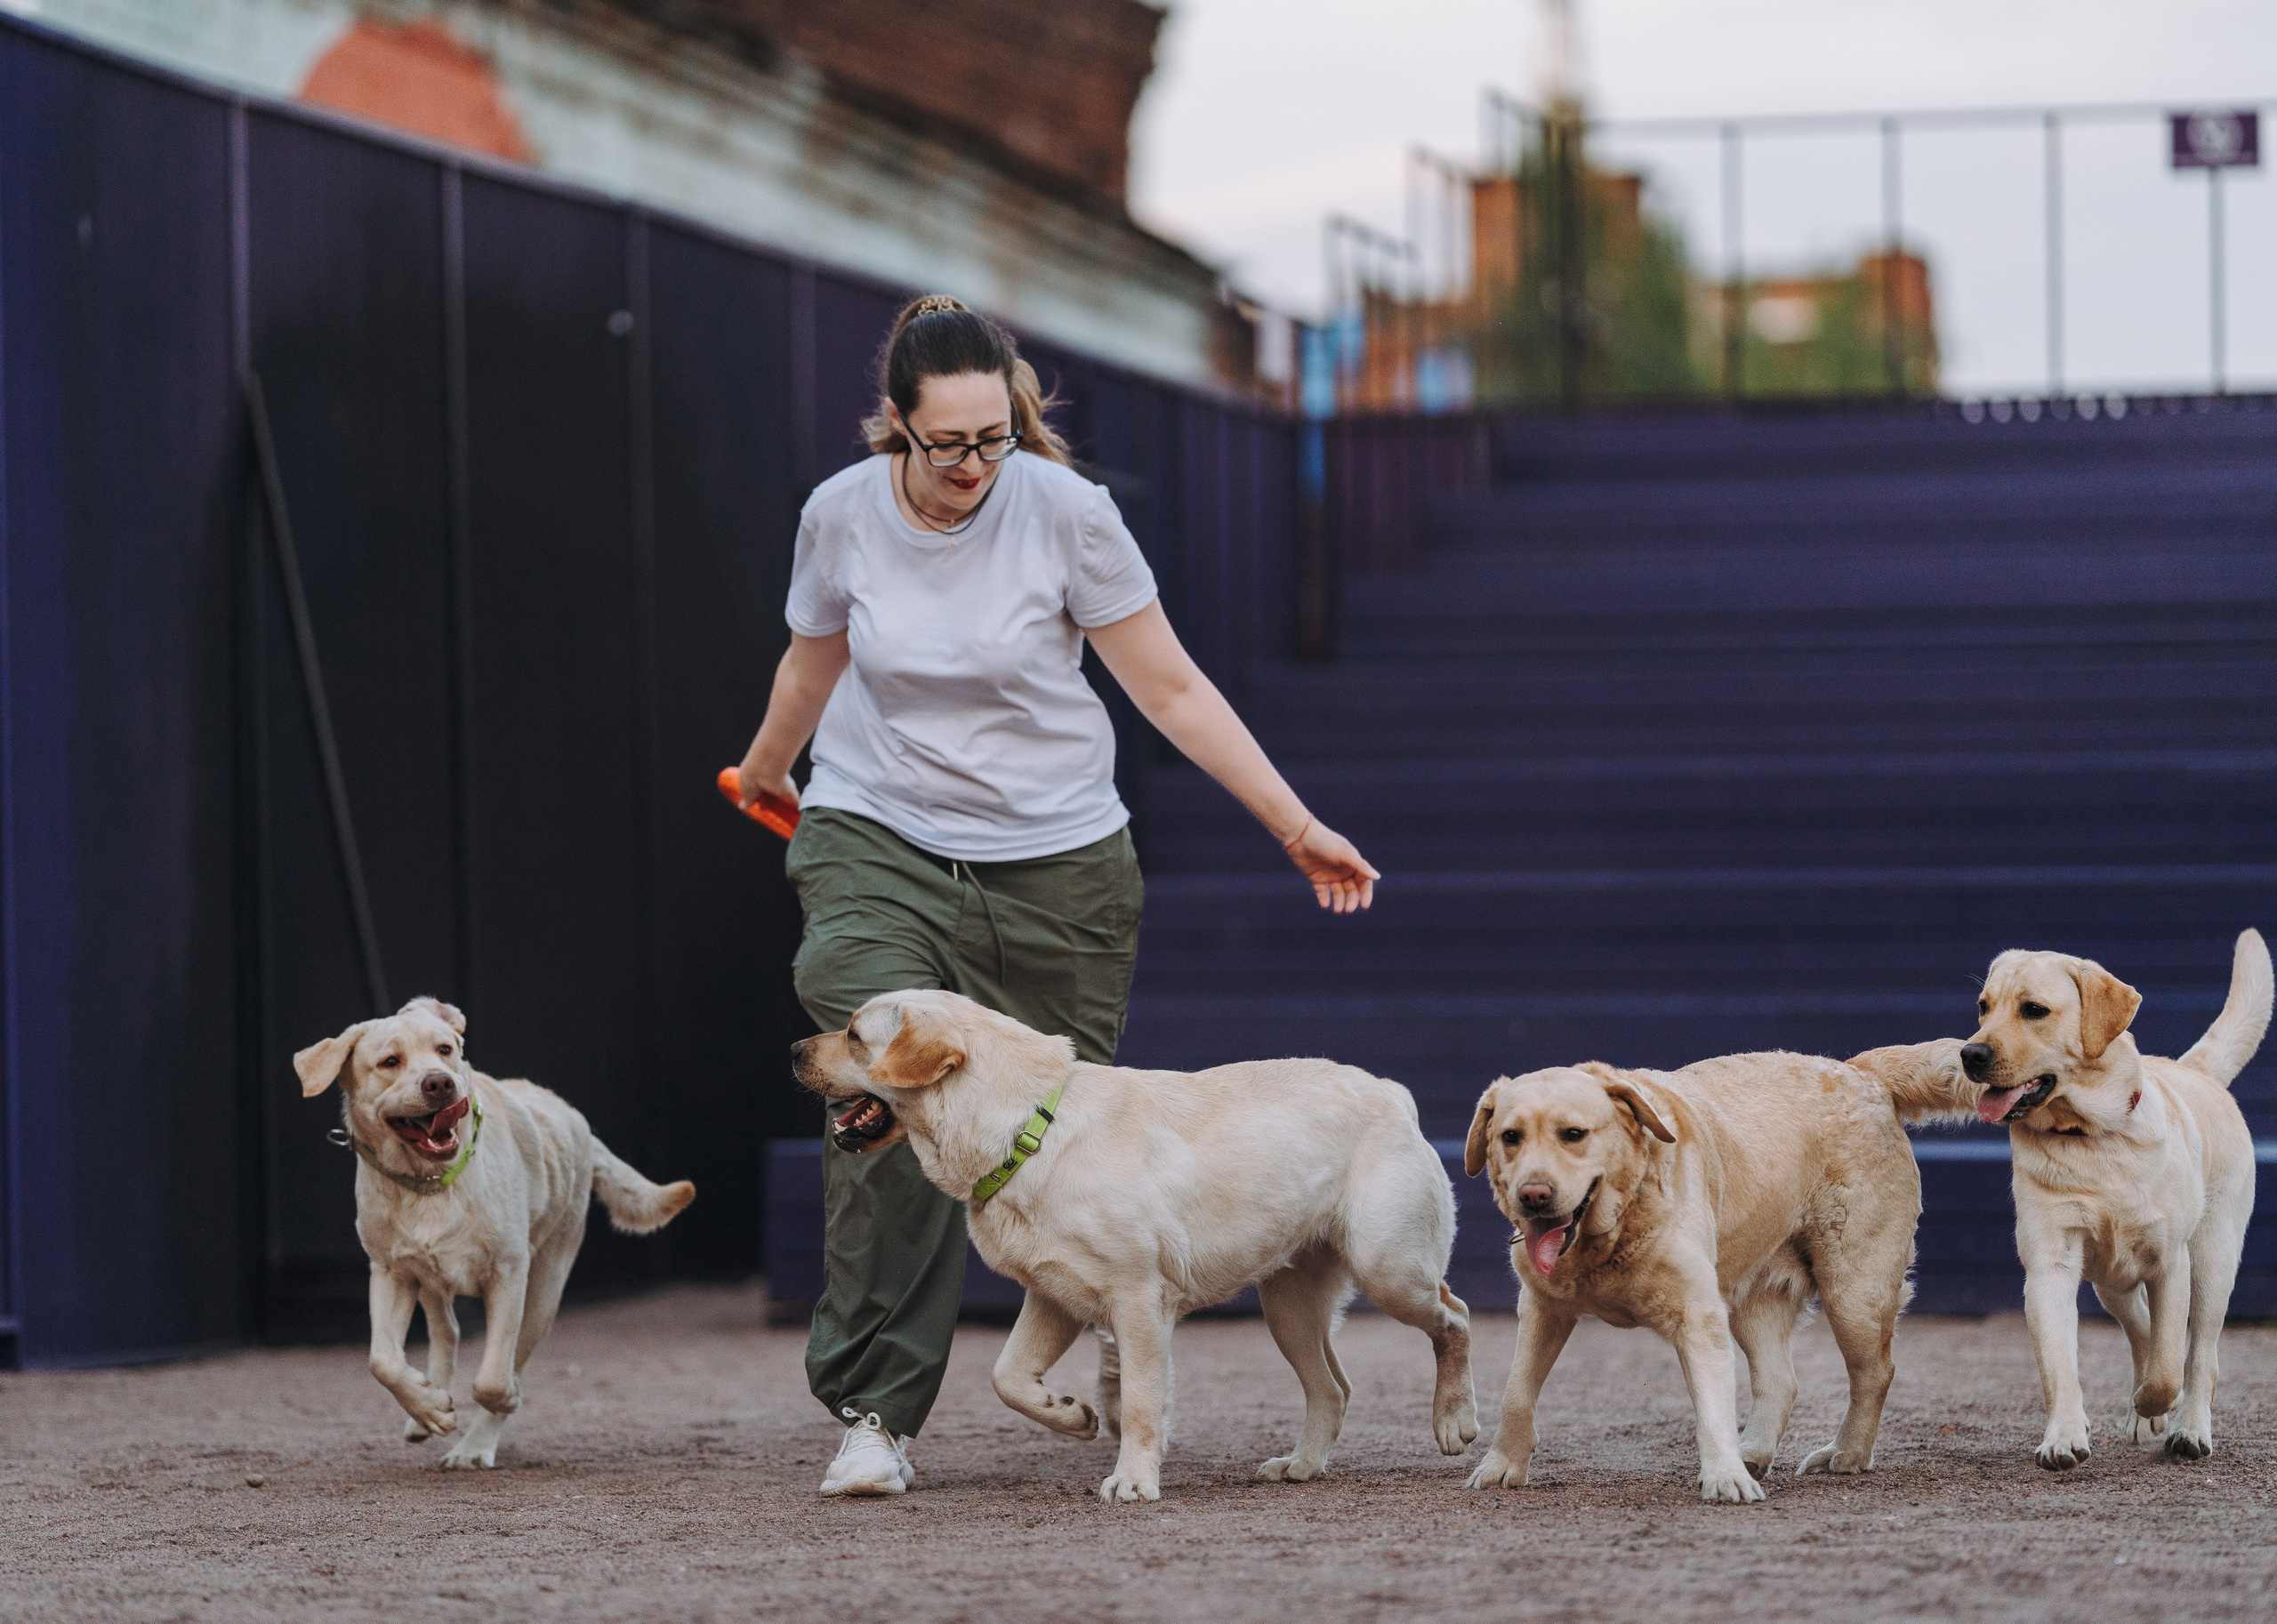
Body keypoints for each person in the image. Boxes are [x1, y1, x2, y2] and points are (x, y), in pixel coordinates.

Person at [735, 293, 1378, 1497]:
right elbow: (812, 658)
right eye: (949, 443)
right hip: (881, 827)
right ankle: (876, 1411)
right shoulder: (841, 515)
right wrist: (770, 769)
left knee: (1039, 1144)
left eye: (996, 438)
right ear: (896, 429)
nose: (976, 464)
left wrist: (1294, 824)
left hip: (1058, 865)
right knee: (881, 1073)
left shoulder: (1069, 514)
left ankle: (1089, 1370)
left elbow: (1171, 687)